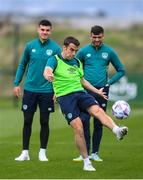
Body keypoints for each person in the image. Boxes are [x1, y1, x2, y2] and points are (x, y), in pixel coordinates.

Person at [43, 36, 128, 171]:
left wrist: (97, 92)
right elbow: (47, 70)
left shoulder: (77, 62)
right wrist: (49, 76)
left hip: (81, 93)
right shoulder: (54, 59)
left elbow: (83, 81)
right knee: (79, 127)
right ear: (64, 48)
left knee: (98, 111)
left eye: (76, 50)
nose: (74, 53)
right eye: (71, 50)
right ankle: (87, 162)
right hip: (65, 98)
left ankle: (116, 130)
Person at [73, 25, 126, 162]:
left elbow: (121, 70)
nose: (97, 39)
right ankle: (84, 153)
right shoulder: (84, 52)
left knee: (99, 122)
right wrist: (78, 81)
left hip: (102, 91)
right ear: (90, 36)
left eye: (99, 37)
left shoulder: (109, 52)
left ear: (103, 36)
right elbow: (74, 66)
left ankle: (95, 153)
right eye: (94, 37)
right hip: (85, 90)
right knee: (84, 121)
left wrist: (109, 83)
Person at [13, 19, 61, 161]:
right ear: (38, 30)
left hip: (47, 91)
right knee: (27, 120)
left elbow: (59, 72)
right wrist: (17, 83)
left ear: (50, 31)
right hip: (30, 90)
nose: (44, 32)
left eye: (47, 30)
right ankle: (25, 153)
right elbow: (22, 65)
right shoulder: (30, 46)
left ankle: (42, 152)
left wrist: (56, 90)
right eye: (42, 29)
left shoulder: (56, 49)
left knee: (44, 121)